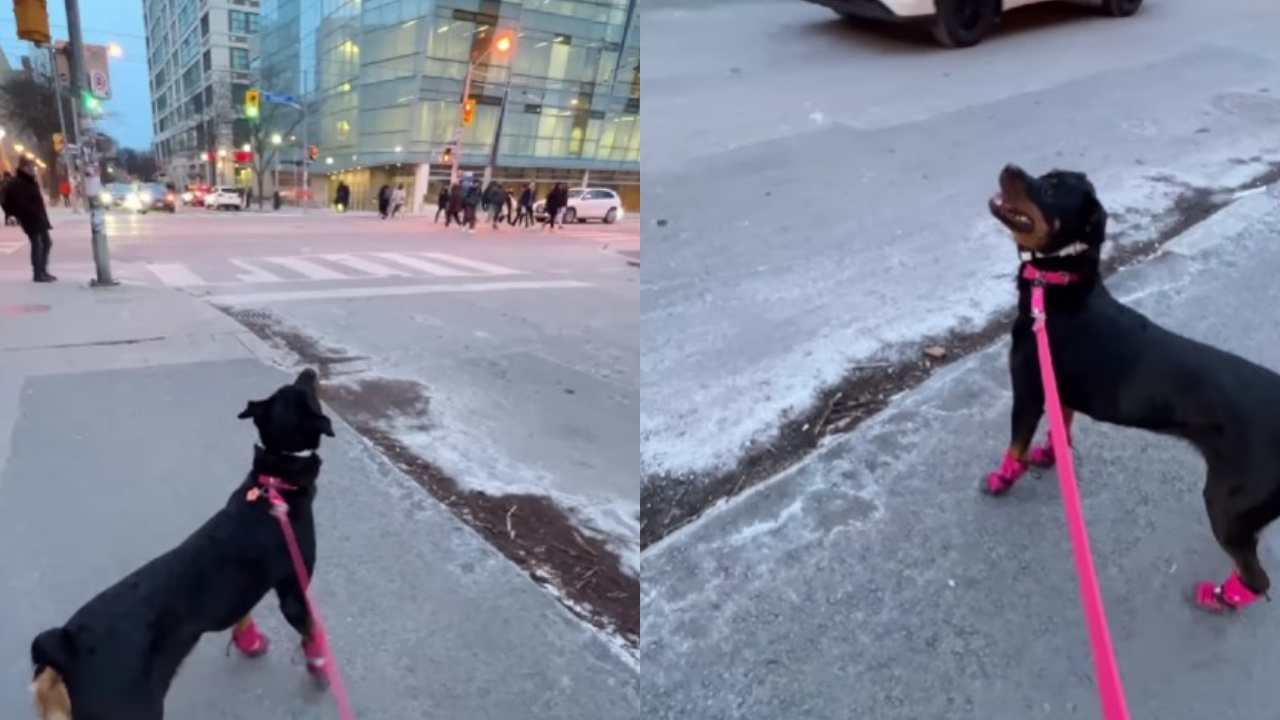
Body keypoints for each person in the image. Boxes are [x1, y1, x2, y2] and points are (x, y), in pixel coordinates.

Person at [1, 157, 56, 282]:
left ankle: (43, 270)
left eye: (32, 167)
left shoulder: (31, 182)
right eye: (29, 167)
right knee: (38, 244)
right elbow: (22, 203)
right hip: (31, 219)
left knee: (47, 243)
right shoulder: (19, 183)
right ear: (23, 169)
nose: (32, 169)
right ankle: (38, 273)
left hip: (39, 218)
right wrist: (29, 214)